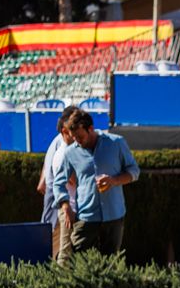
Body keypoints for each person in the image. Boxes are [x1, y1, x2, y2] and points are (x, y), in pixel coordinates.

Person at [51, 107, 140, 255]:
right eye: (74, 138)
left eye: (80, 137)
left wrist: (114, 181)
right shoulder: (70, 152)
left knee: (110, 266)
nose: (77, 142)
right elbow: (58, 183)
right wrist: (65, 205)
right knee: (78, 265)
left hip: (114, 215)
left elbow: (134, 171)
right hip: (86, 217)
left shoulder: (116, 143)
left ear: (90, 129)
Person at [37, 106, 79, 262]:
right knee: (53, 243)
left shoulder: (60, 142)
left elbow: (42, 183)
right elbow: (70, 179)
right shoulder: (63, 146)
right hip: (58, 199)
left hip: (55, 196)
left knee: (54, 243)